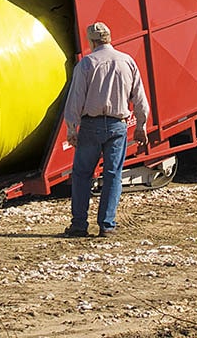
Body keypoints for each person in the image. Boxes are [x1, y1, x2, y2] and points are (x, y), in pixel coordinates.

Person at [61, 22, 150, 238]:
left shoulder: (87, 64)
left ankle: (79, 225)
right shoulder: (127, 61)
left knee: (83, 175)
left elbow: (76, 99)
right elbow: (139, 98)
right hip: (118, 125)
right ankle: (107, 225)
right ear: (109, 38)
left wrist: (71, 128)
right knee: (113, 175)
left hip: (91, 125)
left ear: (91, 41)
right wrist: (141, 125)